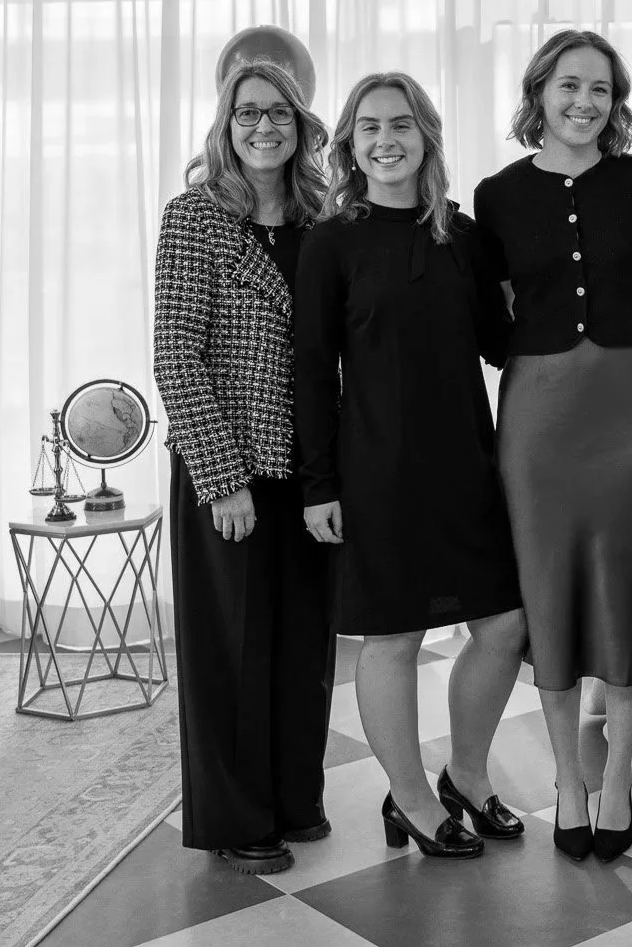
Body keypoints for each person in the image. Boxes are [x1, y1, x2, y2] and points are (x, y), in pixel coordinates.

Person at [295, 71, 527, 860]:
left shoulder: (461, 235)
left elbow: (501, 343)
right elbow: (310, 372)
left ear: (426, 135)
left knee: (503, 625)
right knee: (393, 637)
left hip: (467, 464)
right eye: (369, 127)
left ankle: (467, 773)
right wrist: (319, 486)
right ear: (350, 146)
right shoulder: (332, 241)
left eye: (401, 124)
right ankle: (412, 798)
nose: (386, 140)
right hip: (377, 473)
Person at [473, 30, 632, 865]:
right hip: (538, 418)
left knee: (627, 595)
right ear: (540, 93)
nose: (583, 102)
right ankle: (568, 779)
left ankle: (618, 778)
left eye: (600, 88)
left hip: (629, 405)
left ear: (616, 101)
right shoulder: (496, 194)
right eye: (568, 85)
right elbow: (491, 313)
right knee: (550, 595)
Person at [153, 52, 336, 877]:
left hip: (311, 470)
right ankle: (235, 816)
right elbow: (176, 357)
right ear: (226, 126)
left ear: (301, 125)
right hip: (227, 468)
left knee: (303, 644)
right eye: (248, 112)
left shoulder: (325, 220)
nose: (265, 126)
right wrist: (222, 480)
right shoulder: (194, 218)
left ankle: (294, 797)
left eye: (280, 112)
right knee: (231, 650)